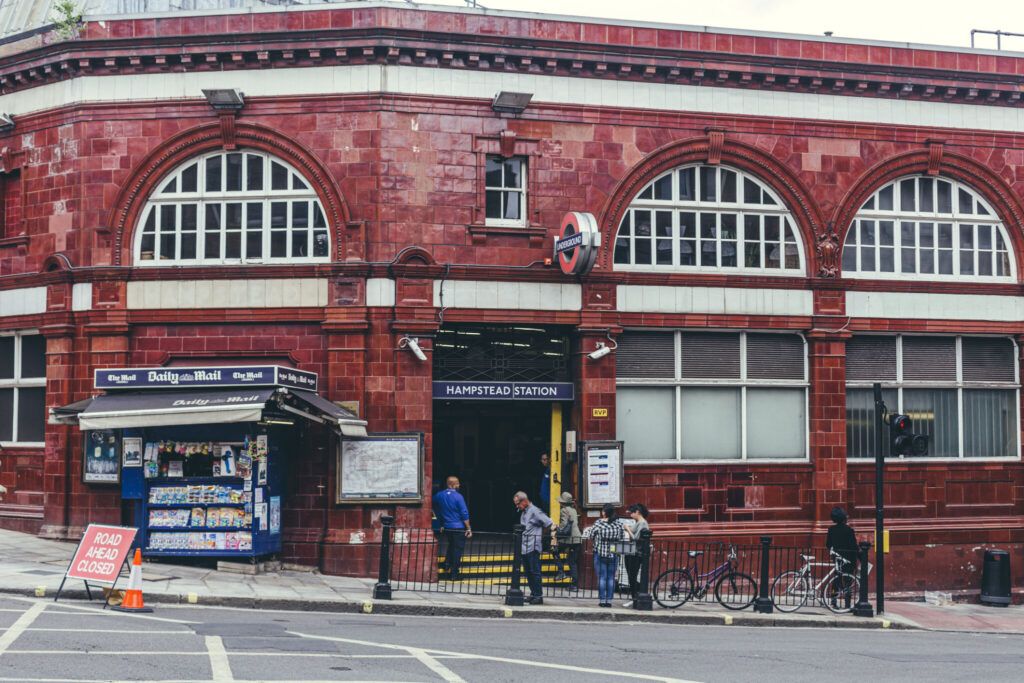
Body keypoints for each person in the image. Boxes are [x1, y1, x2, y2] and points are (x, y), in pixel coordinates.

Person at [513, 490, 557, 604]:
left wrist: (540, 536)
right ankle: (533, 594)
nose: (517, 506)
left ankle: (538, 596)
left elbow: (548, 523)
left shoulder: (535, 511)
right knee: (528, 572)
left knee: (535, 572)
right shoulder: (524, 512)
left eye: (518, 503)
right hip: (524, 547)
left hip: (533, 547)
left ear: (525, 501)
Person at [432, 476, 472, 580]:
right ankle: (454, 574)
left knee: (452, 545)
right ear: (452, 484)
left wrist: (440, 522)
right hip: (458, 527)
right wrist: (468, 528)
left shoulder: (439, 495)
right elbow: (464, 513)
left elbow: (432, 504)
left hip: (447, 526)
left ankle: (446, 563)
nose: (459, 485)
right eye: (457, 483)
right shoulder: (458, 497)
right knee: (457, 550)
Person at [587, 503, 626, 608]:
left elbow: (590, 535)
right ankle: (609, 600)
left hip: (600, 553)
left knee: (602, 577)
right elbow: (622, 536)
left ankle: (602, 600)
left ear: (604, 512)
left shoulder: (599, 523)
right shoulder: (618, 523)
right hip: (614, 554)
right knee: (611, 578)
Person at [825, 506, 858, 609]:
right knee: (848, 581)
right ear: (844, 518)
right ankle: (847, 604)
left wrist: (835, 552)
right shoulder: (849, 530)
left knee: (837, 580)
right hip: (848, 559)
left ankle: (834, 601)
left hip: (837, 558)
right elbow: (853, 546)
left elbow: (828, 544)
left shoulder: (831, 529)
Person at [623, 502, 650, 607]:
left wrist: (628, 529)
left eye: (632, 513)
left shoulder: (642, 523)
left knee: (632, 576)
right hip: (632, 552)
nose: (630, 515)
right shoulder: (638, 522)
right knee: (631, 576)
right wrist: (628, 528)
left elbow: (635, 537)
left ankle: (636, 596)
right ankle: (635, 596)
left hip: (636, 553)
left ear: (637, 512)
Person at [554, 491, 582, 589]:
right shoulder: (573, 510)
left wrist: (556, 529)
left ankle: (561, 572)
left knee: (554, 550)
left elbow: (564, 524)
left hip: (569, 538)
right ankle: (574, 585)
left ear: (562, 502)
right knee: (572, 562)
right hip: (577, 538)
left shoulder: (563, 510)